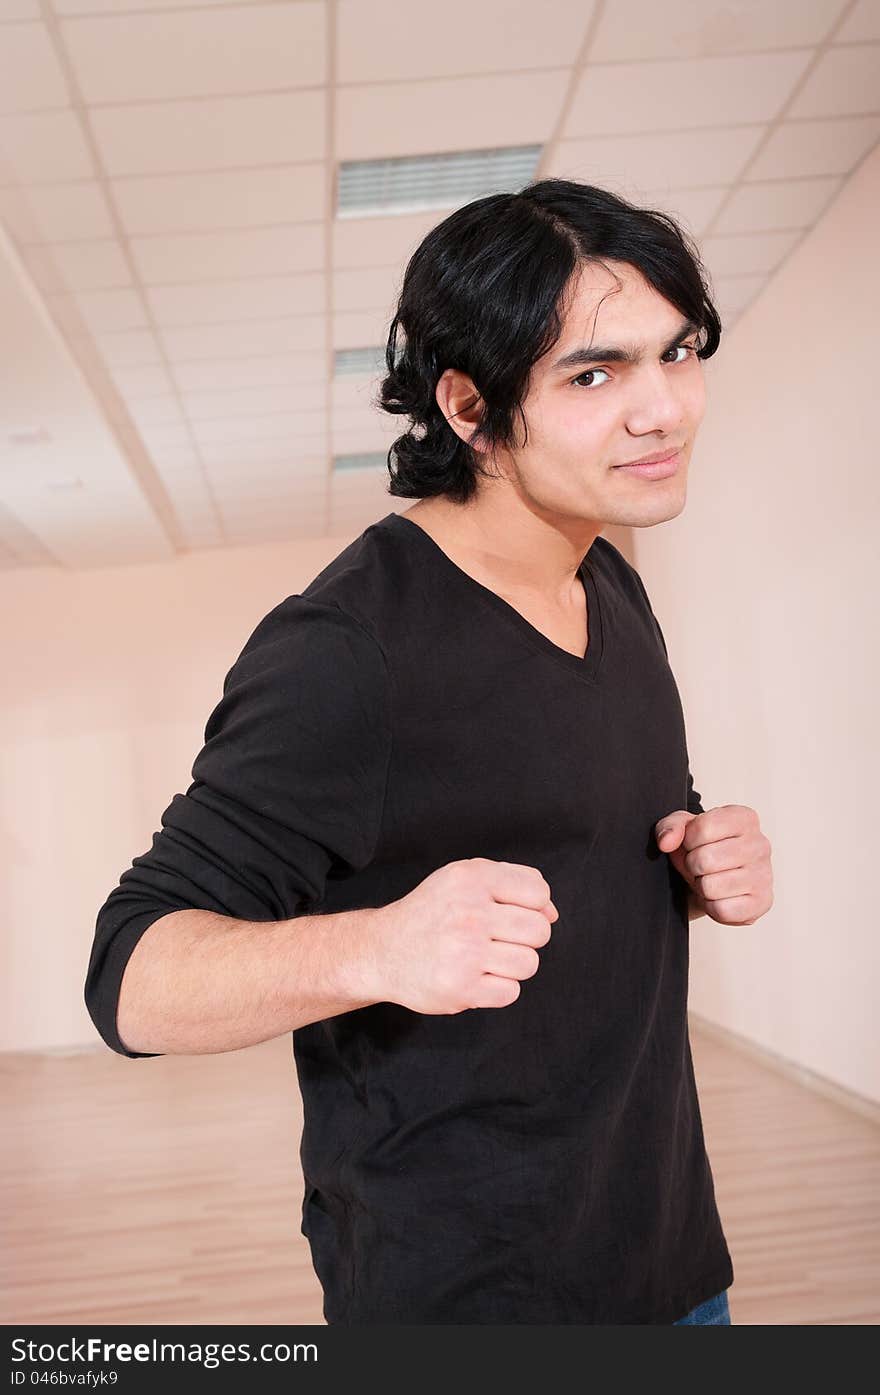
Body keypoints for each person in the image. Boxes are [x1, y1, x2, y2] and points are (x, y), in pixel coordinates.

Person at [84, 178, 774, 1325]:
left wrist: (695, 862)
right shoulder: (350, 647)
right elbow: (130, 978)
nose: (665, 408)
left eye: (678, 352)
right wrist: (377, 950)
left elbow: (587, 834)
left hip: (668, 1259)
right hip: (467, 1299)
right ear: (468, 406)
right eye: (594, 374)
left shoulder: (609, 581)